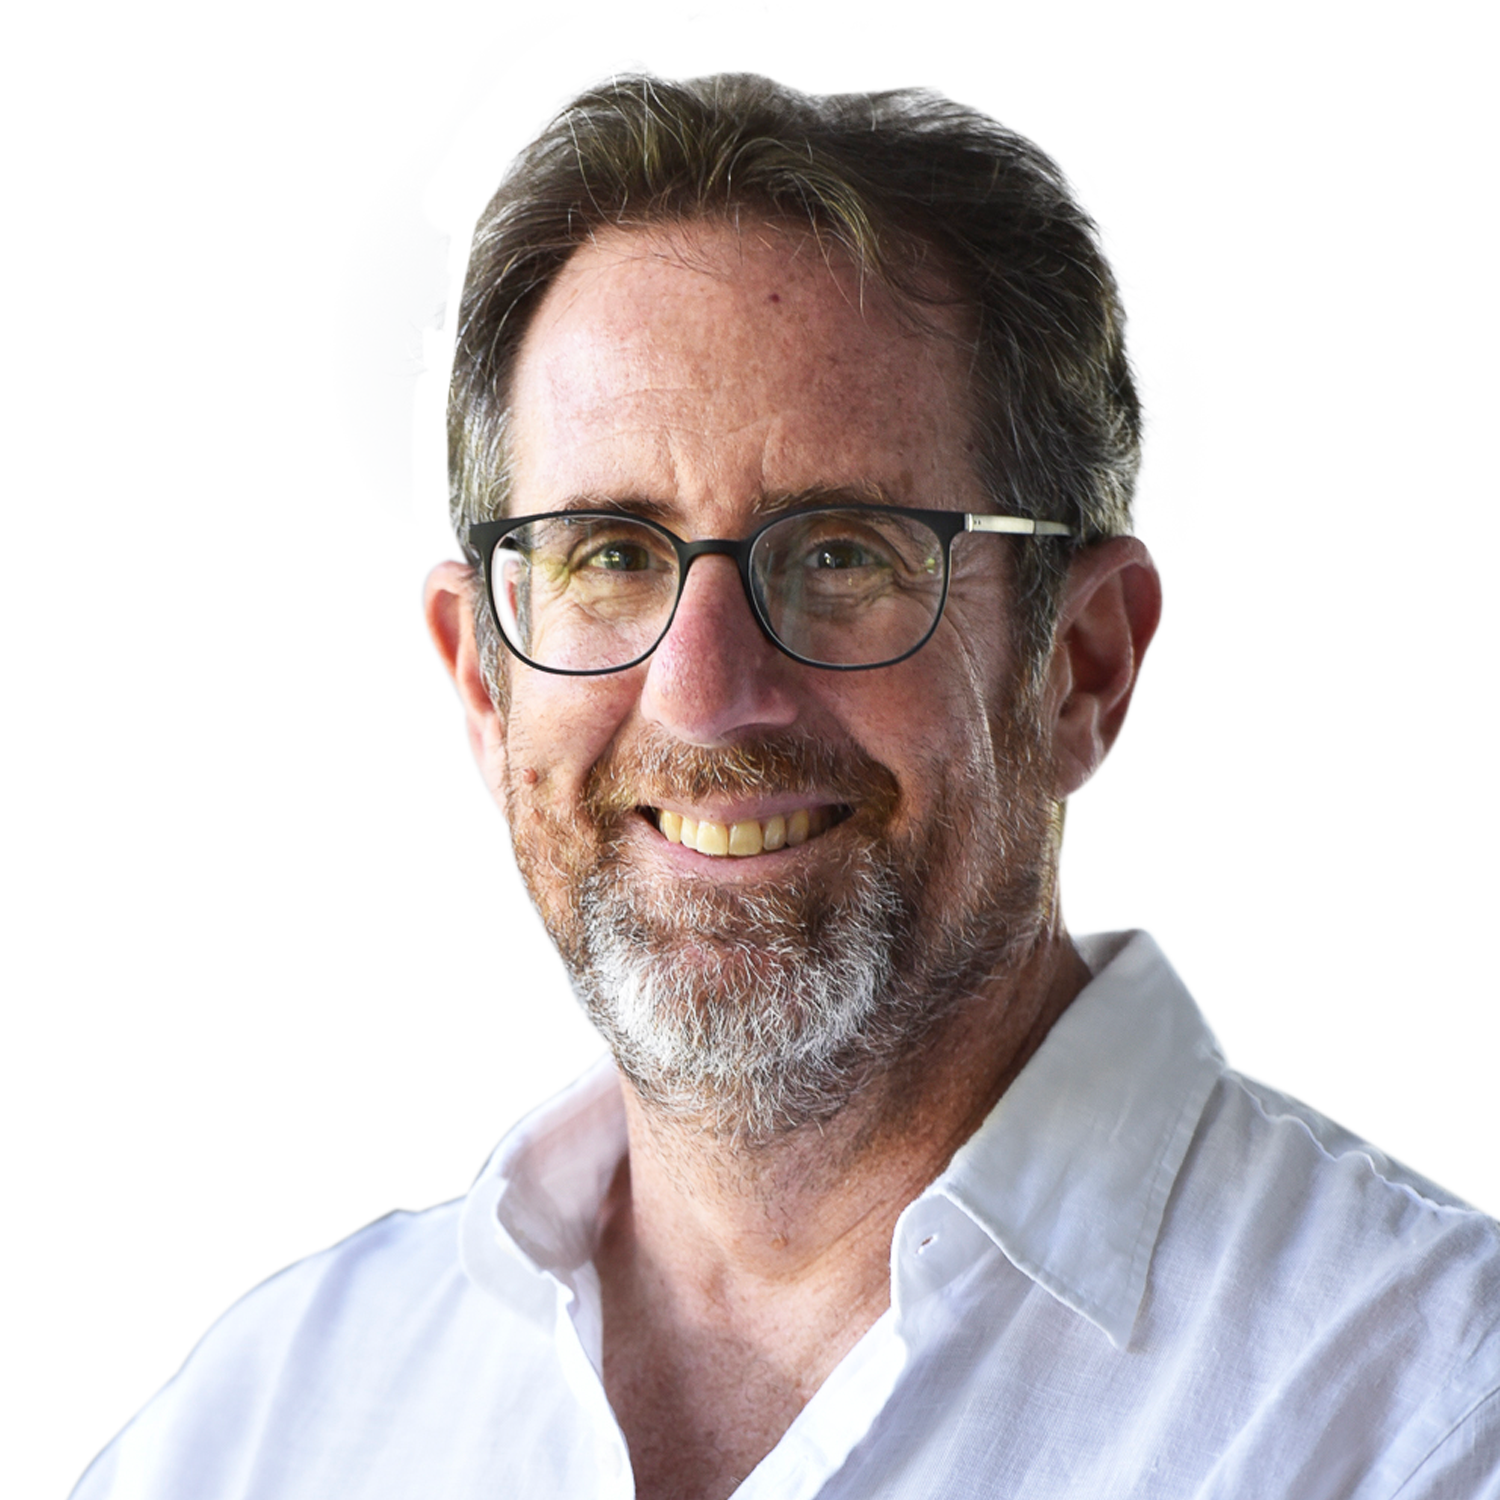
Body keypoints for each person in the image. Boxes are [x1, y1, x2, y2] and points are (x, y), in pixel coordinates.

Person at [71, 71, 1497, 1500]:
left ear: (1083, 664)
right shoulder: (274, 1417)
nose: (704, 694)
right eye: (608, 553)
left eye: (842, 555)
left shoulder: (1426, 1412)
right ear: (483, 682)